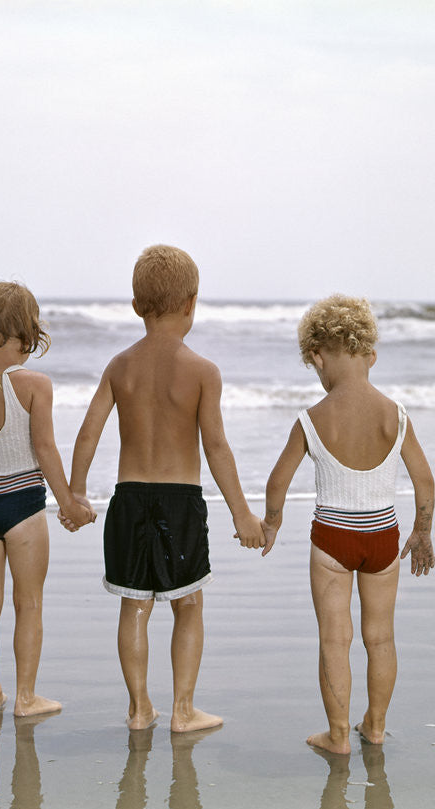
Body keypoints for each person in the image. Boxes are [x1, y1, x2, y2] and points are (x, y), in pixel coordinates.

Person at [62, 244, 265, 733]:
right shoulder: (202, 371)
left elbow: (88, 431)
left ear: (136, 306)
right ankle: (182, 710)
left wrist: (75, 493)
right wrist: (242, 515)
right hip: (180, 503)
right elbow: (216, 447)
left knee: (134, 605)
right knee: (187, 605)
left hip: (128, 499)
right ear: (192, 303)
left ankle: (137, 710)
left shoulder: (119, 367)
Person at [260, 293, 435, 754]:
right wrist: (422, 532)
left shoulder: (312, 419)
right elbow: (425, 482)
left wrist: (271, 524)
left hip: (332, 542)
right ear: (370, 355)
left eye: (315, 367)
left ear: (317, 357)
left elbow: (277, 483)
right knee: (380, 638)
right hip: (383, 539)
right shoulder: (395, 415)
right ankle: (374, 727)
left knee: (335, 640)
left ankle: (337, 735)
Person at [0, 281, 95, 717]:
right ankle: (26, 698)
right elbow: (45, 449)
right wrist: (68, 504)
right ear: (28, 331)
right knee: (28, 604)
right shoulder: (35, 384)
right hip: (24, 507)